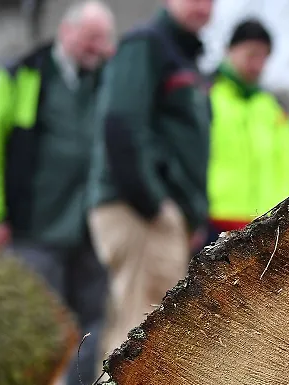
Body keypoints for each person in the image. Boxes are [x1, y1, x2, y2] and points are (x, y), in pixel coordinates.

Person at [0, 0, 115, 385]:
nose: (97, 48)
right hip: (35, 225)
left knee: (90, 326)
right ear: (67, 32)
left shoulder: (107, 80)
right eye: (90, 38)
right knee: (36, 331)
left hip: (91, 227)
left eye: (103, 40)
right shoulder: (25, 75)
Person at [88, 0, 214, 358]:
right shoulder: (146, 44)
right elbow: (121, 125)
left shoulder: (185, 57)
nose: (204, 6)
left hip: (164, 213)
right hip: (139, 210)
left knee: (148, 335)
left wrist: (189, 213)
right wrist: (154, 204)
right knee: (141, 338)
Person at [207, 18, 289, 241]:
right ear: (229, 50)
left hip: (265, 227)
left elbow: (288, 165)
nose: (257, 65)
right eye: (251, 55)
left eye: (263, 57)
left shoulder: (275, 110)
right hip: (212, 223)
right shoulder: (204, 97)